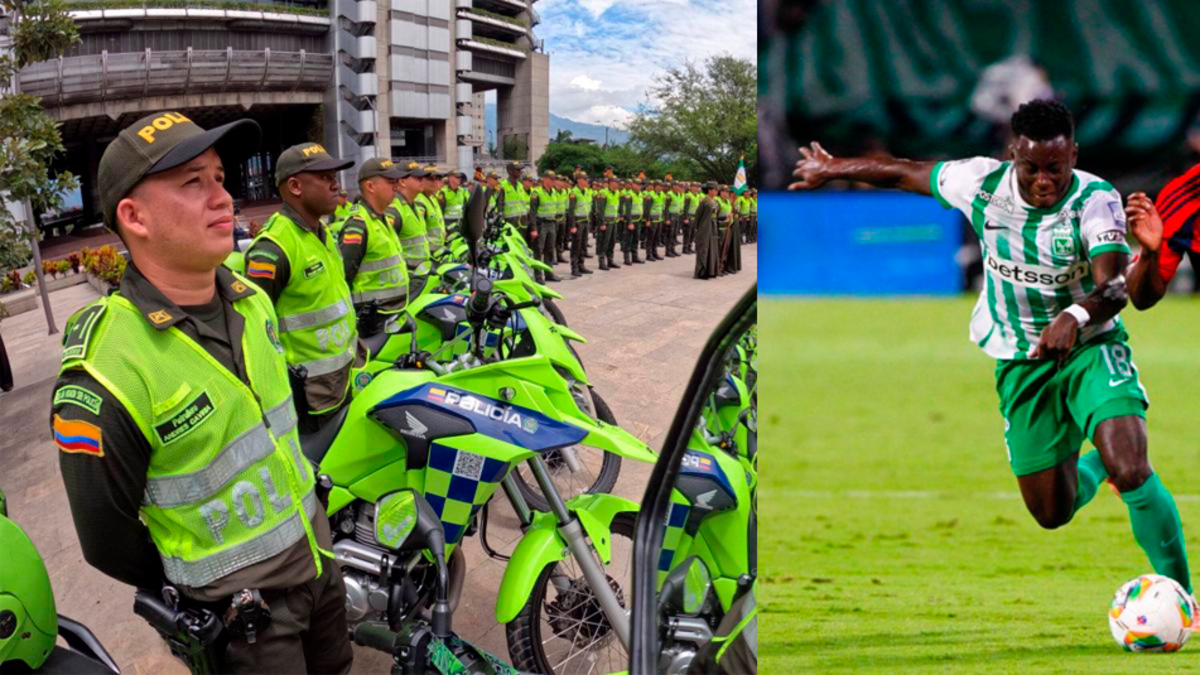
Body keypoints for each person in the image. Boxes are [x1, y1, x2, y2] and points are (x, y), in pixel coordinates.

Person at [791, 98, 1192, 594]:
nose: (1045, 181)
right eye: (1032, 169)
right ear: (1011, 155)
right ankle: (1097, 465)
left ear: (1074, 155)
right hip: (1021, 360)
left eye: (1056, 168)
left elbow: (1114, 287)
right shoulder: (980, 183)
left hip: (1091, 347)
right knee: (1051, 512)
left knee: (1132, 468)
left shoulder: (1096, 199)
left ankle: (1184, 602)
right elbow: (902, 172)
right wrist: (832, 169)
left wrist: (1075, 314)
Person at [50, 112, 352, 674]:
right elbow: (105, 537)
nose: (223, 197)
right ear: (134, 217)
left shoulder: (251, 303)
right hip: (244, 616)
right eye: (193, 182)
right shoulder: (108, 364)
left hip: (317, 560)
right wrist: (201, 589)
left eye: (218, 177)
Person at [244, 142, 360, 433]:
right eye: (324, 177)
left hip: (342, 380)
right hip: (310, 399)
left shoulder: (322, 232)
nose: (336, 185)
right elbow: (253, 334)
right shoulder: (273, 250)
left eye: (334, 176)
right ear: (295, 186)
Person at [338, 157, 409, 337]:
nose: (396, 186)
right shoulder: (358, 226)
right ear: (370, 186)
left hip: (390, 317)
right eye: (390, 181)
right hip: (372, 323)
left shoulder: (381, 218)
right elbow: (343, 279)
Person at [386, 162, 432, 278]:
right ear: (402, 182)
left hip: (421, 273)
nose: (422, 181)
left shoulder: (414, 206)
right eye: (417, 178)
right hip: (408, 276)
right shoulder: (394, 210)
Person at [529, 172, 561, 283]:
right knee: (538, 251)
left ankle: (548, 273)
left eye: (554, 179)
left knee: (550, 250)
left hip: (551, 223)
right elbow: (532, 212)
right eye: (552, 179)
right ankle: (538, 276)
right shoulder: (536, 192)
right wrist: (533, 228)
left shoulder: (554, 192)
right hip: (541, 224)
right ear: (545, 179)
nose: (554, 181)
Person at [567, 172, 595, 276]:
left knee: (583, 245)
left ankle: (581, 265)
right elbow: (571, 211)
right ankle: (574, 268)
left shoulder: (587, 191)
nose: (587, 181)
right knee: (576, 246)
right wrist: (572, 225)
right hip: (578, 222)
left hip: (585, 221)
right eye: (585, 179)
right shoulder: (574, 192)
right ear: (579, 180)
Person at [692, 182, 721, 279]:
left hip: (713, 227)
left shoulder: (715, 201)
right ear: (709, 190)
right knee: (704, 249)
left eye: (717, 190)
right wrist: (697, 229)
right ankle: (701, 272)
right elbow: (698, 216)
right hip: (704, 228)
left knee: (711, 249)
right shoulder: (704, 201)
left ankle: (711, 271)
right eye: (715, 189)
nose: (717, 191)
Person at [595, 176, 622, 271]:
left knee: (612, 242)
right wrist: (602, 223)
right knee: (604, 242)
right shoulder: (603, 193)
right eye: (616, 182)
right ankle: (602, 262)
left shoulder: (617, 193)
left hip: (614, 221)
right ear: (611, 183)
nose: (618, 184)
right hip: (606, 222)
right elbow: (600, 210)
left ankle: (610, 260)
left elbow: (616, 206)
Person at [438, 170, 469, 240]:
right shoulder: (443, 192)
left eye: (459, 177)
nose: (459, 179)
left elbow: (466, 208)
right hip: (448, 226)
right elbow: (440, 213)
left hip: (461, 225)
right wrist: (443, 229)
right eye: (457, 177)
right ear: (450, 178)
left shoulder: (463, 191)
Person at [667, 180, 686, 258]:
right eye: (676, 185)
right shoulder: (669, 194)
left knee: (675, 233)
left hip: (677, 215)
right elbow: (666, 208)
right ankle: (668, 251)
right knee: (670, 234)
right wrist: (667, 218)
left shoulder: (678, 194)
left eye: (679, 186)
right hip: (671, 215)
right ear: (673, 186)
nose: (678, 187)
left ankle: (673, 249)